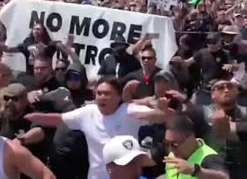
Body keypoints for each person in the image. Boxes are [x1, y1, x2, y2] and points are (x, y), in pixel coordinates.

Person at [25, 76, 153, 179]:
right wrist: (33, 116)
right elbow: (59, 119)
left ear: (118, 96)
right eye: (99, 93)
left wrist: (153, 104)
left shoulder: (129, 111)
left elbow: (157, 115)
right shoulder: (88, 112)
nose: (102, 97)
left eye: (107, 93)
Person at [164, 114, 229, 179]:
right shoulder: (172, 155)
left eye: (174, 144)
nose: (170, 149)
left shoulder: (209, 158)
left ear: (191, 138)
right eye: (167, 143)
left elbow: (225, 177)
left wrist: (195, 171)